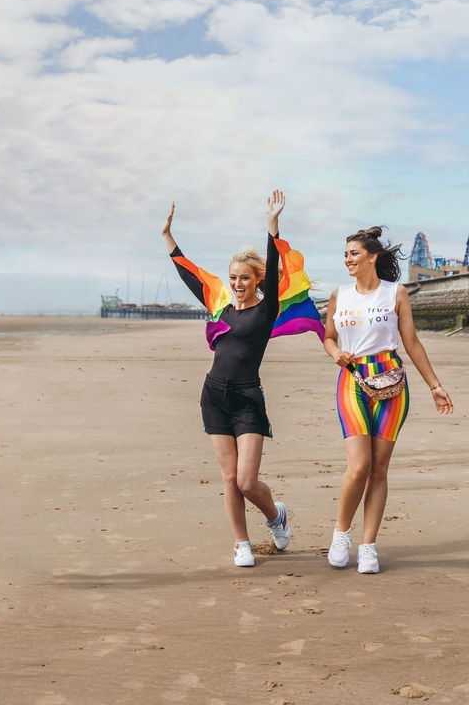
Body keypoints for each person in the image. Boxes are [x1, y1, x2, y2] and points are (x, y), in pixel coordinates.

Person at [162, 190, 292, 567]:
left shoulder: (266, 311)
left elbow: (274, 260)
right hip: (214, 397)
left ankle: (276, 516)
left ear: (256, 280)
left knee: (248, 482)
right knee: (230, 478)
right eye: (233, 277)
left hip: (248, 399)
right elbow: (189, 275)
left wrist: (272, 225)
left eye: (244, 278)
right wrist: (168, 238)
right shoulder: (220, 306)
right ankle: (242, 543)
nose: (237, 283)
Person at [323, 226, 453, 574]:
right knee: (359, 466)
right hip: (353, 380)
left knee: (379, 469)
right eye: (346, 254)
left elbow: (411, 342)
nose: (347, 259)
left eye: (353, 253)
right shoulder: (340, 295)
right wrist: (335, 351)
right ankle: (341, 533)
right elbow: (328, 336)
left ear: (372, 257)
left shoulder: (396, 294)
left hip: (392, 382)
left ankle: (368, 546)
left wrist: (434, 385)